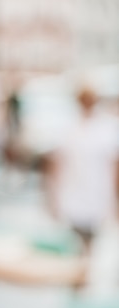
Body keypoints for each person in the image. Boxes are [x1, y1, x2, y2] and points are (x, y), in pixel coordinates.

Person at [43, 86, 119, 255]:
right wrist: (52, 196)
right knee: (76, 242)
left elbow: (114, 167)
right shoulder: (68, 128)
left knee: (90, 242)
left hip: (97, 194)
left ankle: (83, 272)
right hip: (73, 193)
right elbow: (55, 165)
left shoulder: (107, 128)